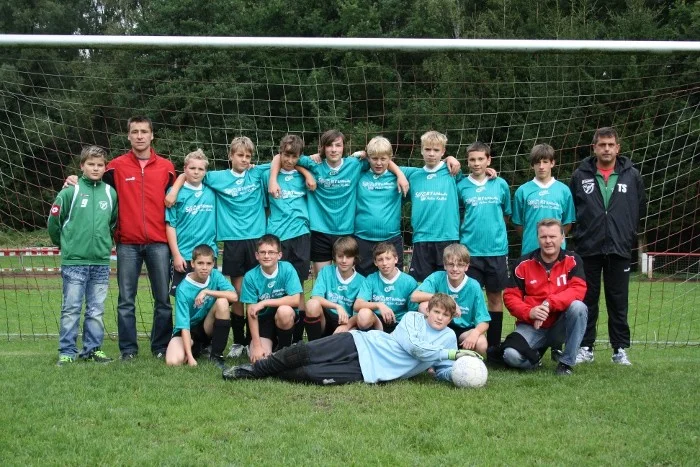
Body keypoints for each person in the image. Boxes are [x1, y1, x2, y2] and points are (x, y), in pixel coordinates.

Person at [67, 116, 176, 360]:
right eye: (135, 131)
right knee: (126, 300)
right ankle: (128, 350)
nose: (140, 136)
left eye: (144, 131)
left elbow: (180, 190)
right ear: (128, 135)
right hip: (127, 243)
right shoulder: (115, 167)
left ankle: (161, 347)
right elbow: (91, 180)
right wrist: (73, 180)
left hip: (159, 242)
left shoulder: (167, 167)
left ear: (152, 135)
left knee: (162, 299)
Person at [165, 137, 274, 359]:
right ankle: (238, 341)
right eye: (240, 155)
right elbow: (190, 173)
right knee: (236, 293)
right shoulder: (216, 178)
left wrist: (313, 160)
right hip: (232, 241)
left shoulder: (257, 173)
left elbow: (283, 160)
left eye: (248, 156)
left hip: (256, 240)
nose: (244, 159)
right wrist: (174, 189)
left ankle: (258, 338)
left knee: (253, 292)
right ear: (230, 156)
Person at [223, 293, 476, 385]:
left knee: (311, 374)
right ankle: (255, 370)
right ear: (428, 310)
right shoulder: (413, 318)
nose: (440, 318)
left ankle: (272, 373)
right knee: (307, 352)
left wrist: (460, 373)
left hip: (370, 371)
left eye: (446, 315)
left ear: (451, 317)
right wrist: (451, 354)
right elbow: (415, 349)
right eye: (436, 312)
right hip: (361, 342)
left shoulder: (448, 338)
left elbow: (442, 369)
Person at [267, 129, 408, 278]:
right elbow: (281, 156)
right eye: (329, 145)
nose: (334, 149)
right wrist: (286, 177)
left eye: (338, 145)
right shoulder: (314, 164)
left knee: (347, 280)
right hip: (320, 231)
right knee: (323, 279)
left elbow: (381, 158)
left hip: (346, 231)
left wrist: (399, 174)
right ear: (322, 148)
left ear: (343, 147)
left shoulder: (354, 164)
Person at [570, 127, 646, 365]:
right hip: (588, 248)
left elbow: (639, 207)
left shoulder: (632, 175)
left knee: (618, 300)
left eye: (610, 145)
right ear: (594, 148)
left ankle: (619, 349)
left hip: (619, 247)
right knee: (587, 299)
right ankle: (585, 347)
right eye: (602, 145)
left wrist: (627, 234)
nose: (606, 149)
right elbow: (572, 210)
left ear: (617, 148)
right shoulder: (580, 175)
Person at [49, 146, 118, 365]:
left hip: (100, 262)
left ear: (105, 167)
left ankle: (93, 349)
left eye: (100, 165)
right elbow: (54, 221)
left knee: (96, 310)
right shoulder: (70, 191)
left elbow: (113, 223)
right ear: (82, 166)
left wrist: (105, 244)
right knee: (71, 309)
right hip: (74, 262)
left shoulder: (110, 193)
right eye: (91, 164)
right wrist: (64, 243)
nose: (95, 168)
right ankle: (67, 352)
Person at [495, 219, 587, 375]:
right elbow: (510, 297)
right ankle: (535, 357)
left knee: (579, 307)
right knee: (510, 355)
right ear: (538, 239)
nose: (548, 241)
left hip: (560, 325)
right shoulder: (523, 263)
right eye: (543, 237)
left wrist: (549, 304)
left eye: (553, 236)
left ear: (562, 238)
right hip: (532, 325)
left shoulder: (573, 260)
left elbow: (578, 289)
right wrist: (530, 312)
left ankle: (566, 363)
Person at [260, 135, 313, 343]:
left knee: (298, 287)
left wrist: (305, 172)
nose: (289, 160)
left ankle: (297, 339)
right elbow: (265, 206)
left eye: (294, 156)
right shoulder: (267, 175)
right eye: (286, 155)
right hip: (277, 238)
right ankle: (275, 334)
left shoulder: (303, 175)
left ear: (299, 156)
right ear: (280, 153)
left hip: (300, 236)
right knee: (276, 285)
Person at [456, 142, 510, 348]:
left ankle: (494, 347)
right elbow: (458, 215)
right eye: (472, 159)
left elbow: (506, 215)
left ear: (489, 160)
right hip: (470, 253)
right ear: (467, 161)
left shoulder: (500, 184)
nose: (476, 163)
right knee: (469, 298)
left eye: (481, 159)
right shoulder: (461, 186)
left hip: (496, 251)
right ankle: (470, 343)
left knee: (495, 298)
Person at [404, 131, 464, 282]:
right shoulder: (413, 175)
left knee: (448, 283)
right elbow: (386, 164)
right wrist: (399, 175)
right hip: (421, 238)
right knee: (422, 284)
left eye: (436, 150)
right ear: (421, 150)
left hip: (447, 237)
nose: (431, 154)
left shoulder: (452, 171)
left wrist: (450, 158)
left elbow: (476, 176)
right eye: (427, 149)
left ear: (443, 151)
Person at [411, 243, 490, 357]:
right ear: (445, 265)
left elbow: (484, 321)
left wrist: (475, 334)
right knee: (423, 306)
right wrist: (448, 300)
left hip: (463, 331)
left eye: (460, 265)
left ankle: (469, 361)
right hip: (440, 327)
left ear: (466, 266)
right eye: (451, 264)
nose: (455, 269)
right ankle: (430, 355)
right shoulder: (437, 277)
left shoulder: (474, 286)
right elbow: (414, 296)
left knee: (481, 343)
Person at [165, 245, 237, 369]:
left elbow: (234, 296)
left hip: (207, 326)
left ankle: (216, 356)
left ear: (213, 264)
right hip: (189, 330)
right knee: (173, 361)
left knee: (222, 302)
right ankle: (197, 349)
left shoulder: (215, 275)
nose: (204, 267)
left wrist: (207, 291)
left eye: (208, 263)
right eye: (200, 263)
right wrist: (190, 357)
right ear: (192, 263)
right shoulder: (183, 289)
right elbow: (184, 326)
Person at [241, 234, 304, 363]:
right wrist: (257, 346)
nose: (267, 256)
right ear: (257, 255)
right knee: (260, 361)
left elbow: (295, 300)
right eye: (262, 252)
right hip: (263, 322)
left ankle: (284, 350)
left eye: (271, 252)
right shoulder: (250, 277)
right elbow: (251, 313)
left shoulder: (287, 268)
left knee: (284, 311)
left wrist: (265, 302)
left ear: (279, 255)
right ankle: (265, 346)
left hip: (284, 319)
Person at [165, 149, 217, 296]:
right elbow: (170, 225)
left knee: (208, 298)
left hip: (208, 256)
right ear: (185, 169)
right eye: (192, 168)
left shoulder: (212, 191)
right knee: (183, 298)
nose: (196, 172)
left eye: (200, 169)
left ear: (205, 172)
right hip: (184, 256)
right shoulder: (174, 193)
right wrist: (176, 255)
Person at [353, 136, 407, 276]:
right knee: (362, 283)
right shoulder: (359, 174)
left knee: (393, 283)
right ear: (368, 158)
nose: (378, 163)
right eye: (374, 158)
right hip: (362, 239)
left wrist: (449, 159)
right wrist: (358, 155)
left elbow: (429, 170)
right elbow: (343, 165)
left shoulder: (401, 174)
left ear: (390, 158)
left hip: (391, 239)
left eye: (383, 159)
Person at [512, 143, 575, 256]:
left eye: (545, 162)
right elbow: (518, 223)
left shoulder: (564, 190)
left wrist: (555, 240)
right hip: (530, 250)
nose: (541, 166)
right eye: (537, 162)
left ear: (552, 163)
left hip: (557, 252)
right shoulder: (522, 191)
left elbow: (567, 222)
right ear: (532, 165)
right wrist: (531, 237)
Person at [304, 237, 365, 340]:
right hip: (327, 318)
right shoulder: (326, 271)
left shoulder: (362, 281)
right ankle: (313, 345)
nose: (344, 260)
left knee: (360, 321)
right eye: (340, 256)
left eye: (348, 257)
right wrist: (337, 306)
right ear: (334, 257)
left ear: (355, 258)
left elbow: (360, 314)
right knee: (311, 304)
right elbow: (315, 297)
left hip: (347, 321)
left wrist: (347, 326)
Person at [349, 242, 418, 333]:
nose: (384, 263)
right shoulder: (371, 279)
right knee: (363, 314)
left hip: (399, 324)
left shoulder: (409, 282)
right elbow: (357, 305)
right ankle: (376, 336)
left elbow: (414, 312)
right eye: (380, 260)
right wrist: (379, 305)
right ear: (375, 262)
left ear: (396, 259)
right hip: (377, 322)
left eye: (388, 258)